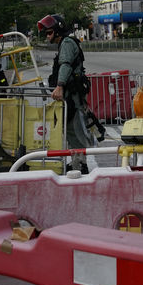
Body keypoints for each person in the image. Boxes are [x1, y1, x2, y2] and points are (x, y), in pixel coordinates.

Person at [38, 13, 96, 172]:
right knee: (70, 129)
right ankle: (77, 161)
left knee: (74, 128)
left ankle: (80, 164)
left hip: (72, 95)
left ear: (58, 31)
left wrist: (60, 86)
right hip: (70, 94)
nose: (47, 36)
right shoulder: (65, 43)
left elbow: (66, 65)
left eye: (49, 32)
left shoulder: (67, 43)